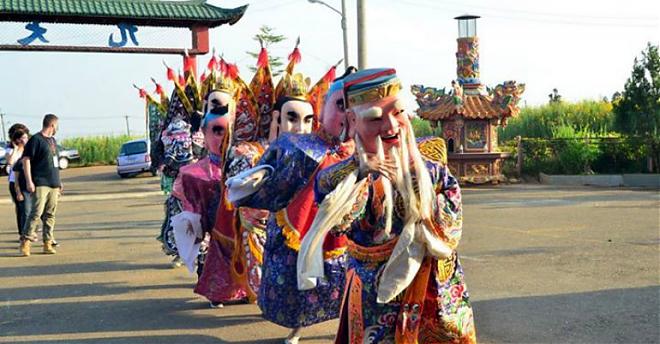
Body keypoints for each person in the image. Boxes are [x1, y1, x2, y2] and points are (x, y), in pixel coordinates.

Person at [298, 68, 477, 343]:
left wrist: (419, 201)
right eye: (375, 118)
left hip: (434, 286)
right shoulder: (340, 177)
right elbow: (340, 221)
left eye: (397, 113)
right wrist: (359, 175)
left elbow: (451, 221)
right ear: (351, 122)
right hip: (376, 291)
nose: (391, 127)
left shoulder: (432, 170)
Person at [226, 64, 356, 344]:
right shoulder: (295, 146)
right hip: (298, 223)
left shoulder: (360, 152)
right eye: (341, 105)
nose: (347, 114)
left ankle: (349, 323)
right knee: (298, 285)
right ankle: (297, 328)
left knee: (347, 282)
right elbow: (266, 176)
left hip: (343, 229)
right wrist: (249, 190)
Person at [20, 114, 62, 257]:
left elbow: (54, 163)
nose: (57, 128)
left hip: (53, 183)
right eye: (57, 125)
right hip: (40, 182)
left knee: (50, 214)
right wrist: (29, 181)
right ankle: (26, 241)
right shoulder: (36, 140)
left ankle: (47, 242)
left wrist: (59, 182)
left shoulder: (53, 141)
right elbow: (26, 160)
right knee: (36, 213)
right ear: (52, 125)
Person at [6, 124, 30, 239]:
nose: (25, 140)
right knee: (21, 209)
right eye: (22, 138)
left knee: (27, 208)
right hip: (14, 182)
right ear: (16, 139)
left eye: (26, 137)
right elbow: (10, 162)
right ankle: (22, 233)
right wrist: (16, 149)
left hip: (27, 181)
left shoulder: (28, 149)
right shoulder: (10, 150)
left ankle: (27, 230)